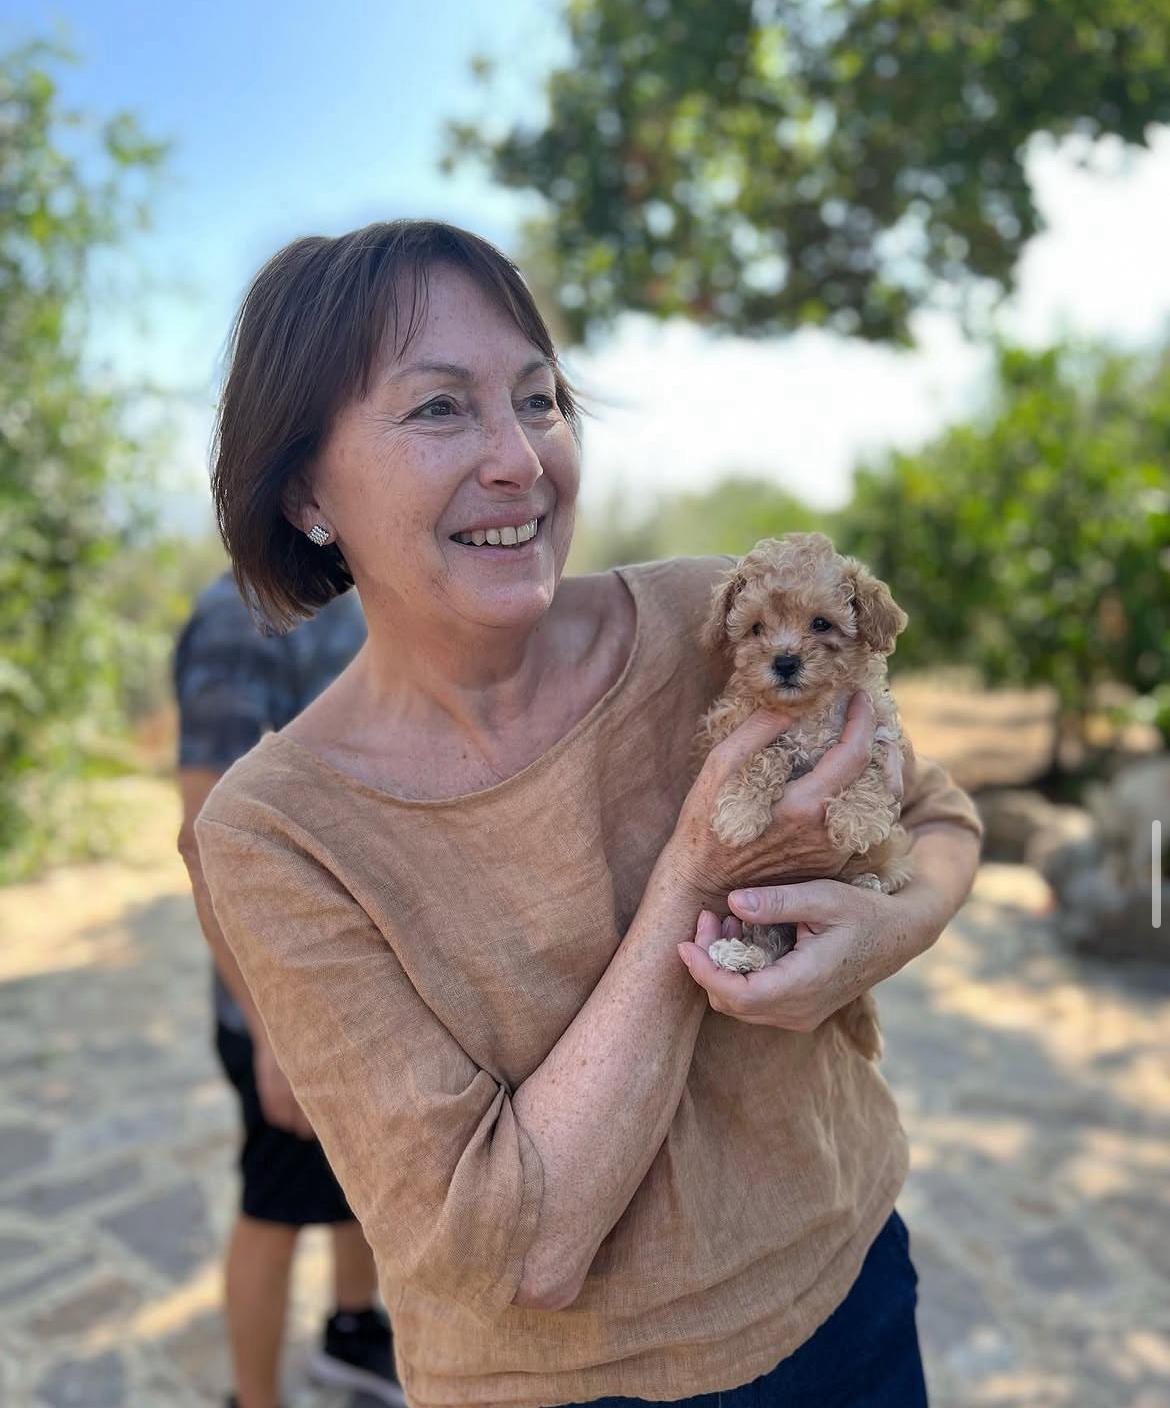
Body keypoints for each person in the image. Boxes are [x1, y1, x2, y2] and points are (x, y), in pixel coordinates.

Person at [193, 219, 984, 1408]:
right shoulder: (278, 830)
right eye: (439, 409)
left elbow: (939, 816)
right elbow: (517, 1252)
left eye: (540, 397)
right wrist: (695, 869)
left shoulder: (707, 621)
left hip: (852, 1292)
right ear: (307, 488)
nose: (521, 455)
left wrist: (893, 928)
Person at [174, 573, 405, 1408]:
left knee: (359, 1185)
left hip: (356, 991)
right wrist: (274, 1032)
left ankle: (352, 1329)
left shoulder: (370, 599)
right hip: (280, 1000)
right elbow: (206, 838)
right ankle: (253, 1399)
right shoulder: (241, 619)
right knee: (274, 1209)